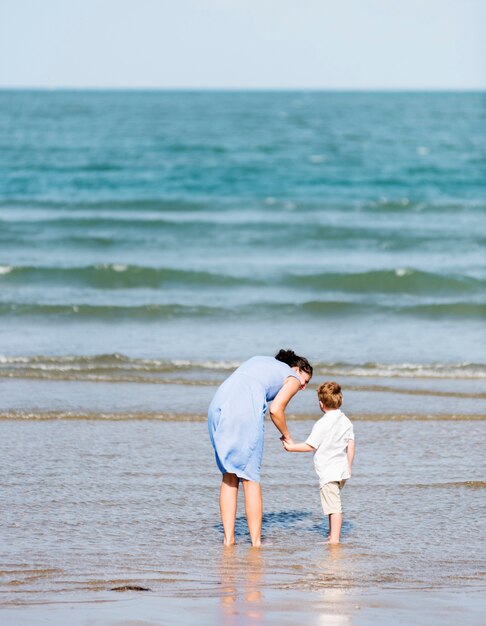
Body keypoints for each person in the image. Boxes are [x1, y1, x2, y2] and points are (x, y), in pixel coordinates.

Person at [208, 349, 313, 547]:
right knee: (250, 477)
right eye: (305, 381)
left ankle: (228, 540)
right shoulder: (291, 376)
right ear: (297, 369)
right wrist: (288, 437)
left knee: (229, 474)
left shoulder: (260, 361)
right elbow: (276, 409)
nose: (303, 387)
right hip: (242, 410)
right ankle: (256, 543)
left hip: (217, 406)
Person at [283, 381, 355, 544]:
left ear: (321, 404)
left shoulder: (323, 423)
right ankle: (332, 534)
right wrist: (349, 466)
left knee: (334, 507)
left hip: (329, 471)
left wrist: (291, 447)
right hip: (342, 470)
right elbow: (351, 444)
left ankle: (334, 539)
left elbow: (310, 445)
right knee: (332, 504)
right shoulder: (346, 421)